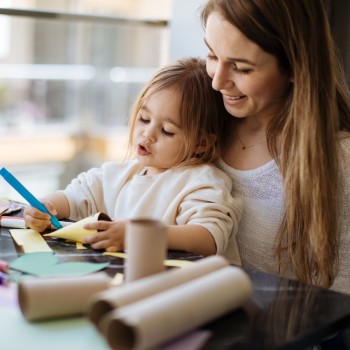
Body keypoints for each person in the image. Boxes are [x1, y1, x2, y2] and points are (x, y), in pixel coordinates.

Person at [23, 57, 242, 264]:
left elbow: (208, 238)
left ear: (201, 143)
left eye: (167, 131)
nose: (147, 134)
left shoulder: (201, 180)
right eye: (144, 118)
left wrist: (137, 234)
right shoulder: (120, 174)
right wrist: (44, 207)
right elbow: (74, 197)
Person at [200, 0, 350, 294]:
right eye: (211, 55)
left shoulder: (339, 160)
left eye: (242, 68)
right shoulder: (201, 119)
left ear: (295, 66)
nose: (218, 82)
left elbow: (339, 294)